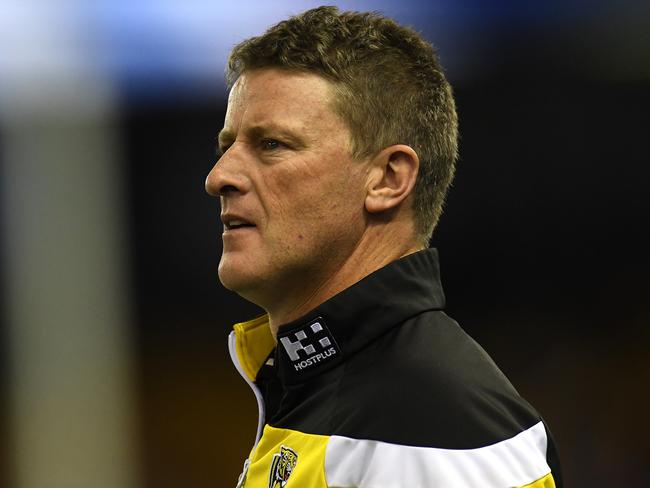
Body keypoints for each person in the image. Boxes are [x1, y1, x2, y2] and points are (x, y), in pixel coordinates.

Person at [205, 6, 562, 488]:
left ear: (388, 179)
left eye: (271, 145)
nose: (219, 176)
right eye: (226, 146)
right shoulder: (333, 389)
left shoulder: (433, 430)